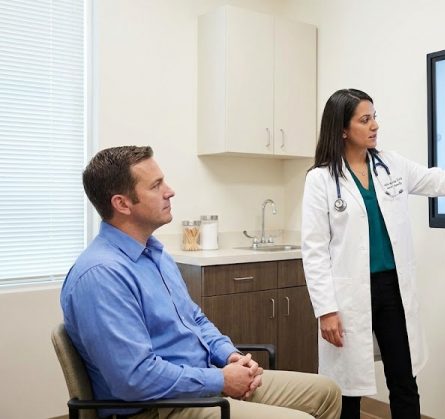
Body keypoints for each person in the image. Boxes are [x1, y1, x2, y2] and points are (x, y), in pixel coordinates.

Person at [61, 146, 342, 419]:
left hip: (202, 382)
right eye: (156, 186)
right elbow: (135, 379)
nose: (170, 191)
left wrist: (229, 356)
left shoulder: (155, 254)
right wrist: (220, 380)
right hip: (158, 407)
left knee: (327, 392)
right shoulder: (101, 276)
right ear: (122, 203)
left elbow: (193, 319)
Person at [301, 89, 445, 418]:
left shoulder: (391, 165)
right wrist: (326, 310)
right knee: (347, 388)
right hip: (348, 296)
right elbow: (314, 250)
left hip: (392, 289)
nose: (375, 125)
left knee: (403, 379)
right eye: (365, 119)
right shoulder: (321, 180)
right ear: (343, 129)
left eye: (375, 117)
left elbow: (441, 181)